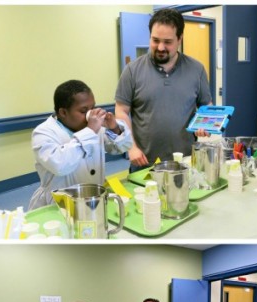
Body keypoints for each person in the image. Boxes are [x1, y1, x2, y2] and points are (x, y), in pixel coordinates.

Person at [115, 8, 212, 171]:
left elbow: (206, 106)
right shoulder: (132, 70)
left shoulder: (197, 69)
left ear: (179, 39)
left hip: (186, 161)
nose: (160, 47)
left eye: (167, 42)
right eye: (155, 40)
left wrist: (206, 125)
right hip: (144, 163)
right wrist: (131, 147)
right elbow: (121, 111)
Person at [29, 80, 133, 210]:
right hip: (60, 204)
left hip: (94, 198)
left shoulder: (95, 128)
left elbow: (122, 147)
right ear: (63, 112)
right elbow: (60, 165)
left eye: (93, 108)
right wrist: (90, 131)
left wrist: (115, 128)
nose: (91, 115)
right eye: (84, 111)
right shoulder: (43, 133)